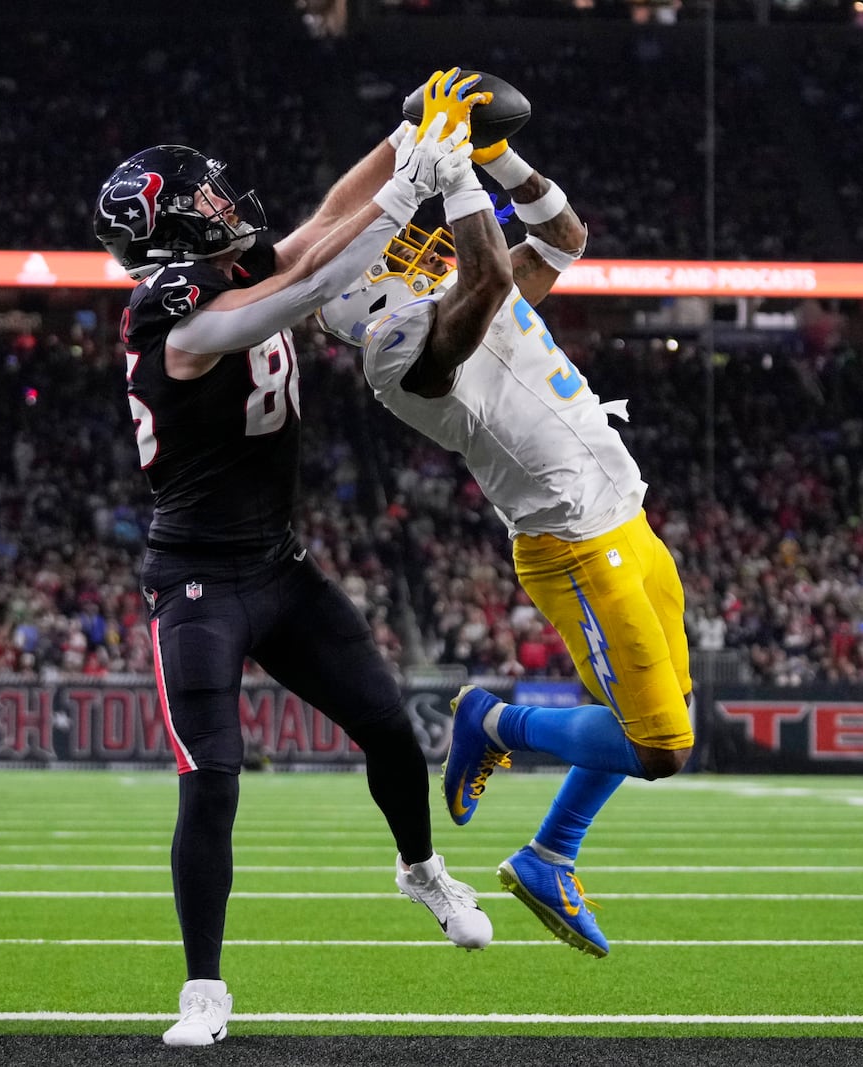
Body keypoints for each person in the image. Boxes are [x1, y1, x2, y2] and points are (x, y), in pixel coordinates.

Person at [94, 72, 494, 1047]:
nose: (225, 205)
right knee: (214, 778)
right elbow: (314, 284)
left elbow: (321, 227)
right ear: (169, 237)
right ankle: (202, 986)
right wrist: (413, 192)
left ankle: (419, 868)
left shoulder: (224, 269)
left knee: (393, 729)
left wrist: (412, 130)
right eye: (203, 203)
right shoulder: (175, 311)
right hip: (197, 582)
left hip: (280, 565)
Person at [319, 129, 694, 959]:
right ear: (364, 295)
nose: (407, 249)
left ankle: (549, 855)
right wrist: (453, 172)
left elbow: (564, 238)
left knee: (663, 709)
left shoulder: (459, 292)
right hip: (574, 545)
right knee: (659, 745)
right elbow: (486, 275)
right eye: (389, 255)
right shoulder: (397, 352)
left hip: (624, 516)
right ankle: (493, 722)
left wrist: (499, 158)